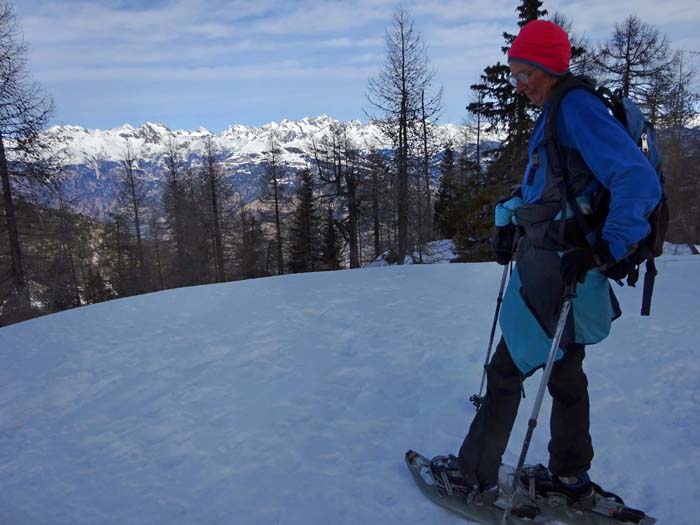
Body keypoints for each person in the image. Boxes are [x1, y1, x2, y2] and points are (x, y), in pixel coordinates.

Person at [455, 20, 662, 506]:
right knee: (566, 371)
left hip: (559, 267)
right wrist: (512, 219)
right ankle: (571, 479)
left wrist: (608, 246)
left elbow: (637, 180)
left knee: (507, 370)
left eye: (524, 73)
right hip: (559, 263)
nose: (519, 84)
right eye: (513, 75)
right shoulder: (558, 110)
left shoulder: (575, 108)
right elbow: (551, 187)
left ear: (547, 67)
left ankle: (475, 477)